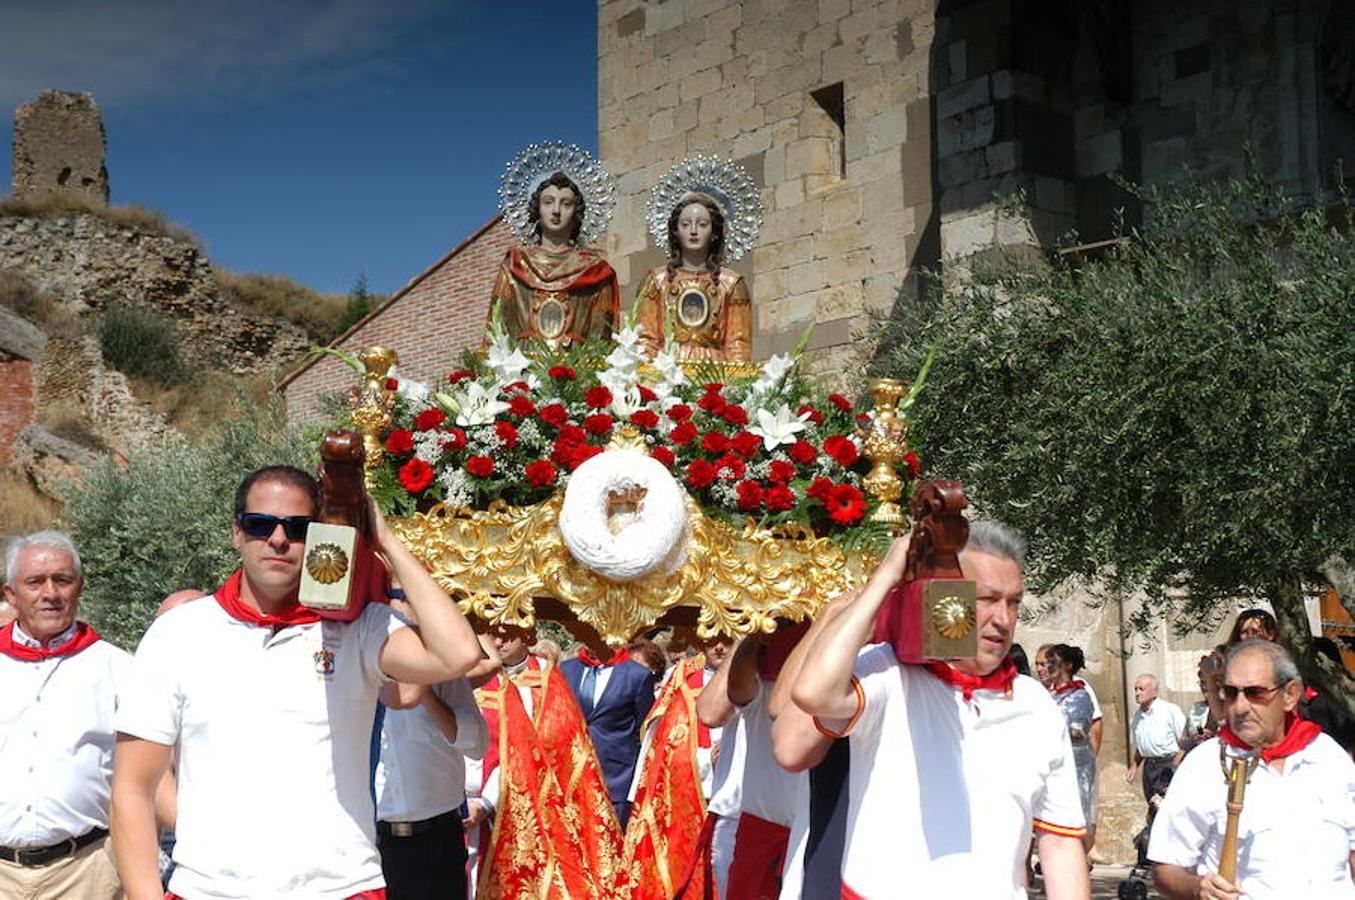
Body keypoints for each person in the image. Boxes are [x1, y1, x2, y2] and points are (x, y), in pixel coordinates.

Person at [111, 465, 484, 900]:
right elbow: (132, 790)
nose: (278, 539)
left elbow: (457, 654)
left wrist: (384, 539)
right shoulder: (179, 633)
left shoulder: (358, 629)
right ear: (236, 533)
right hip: (209, 891)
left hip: (341, 888)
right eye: (260, 525)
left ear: (322, 535)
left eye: (298, 527)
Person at [787, 521, 1090, 898]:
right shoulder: (890, 675)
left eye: (1013, 602)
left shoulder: (1036, 705)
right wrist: (885, 579)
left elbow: (1060, 845)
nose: (1004, 618)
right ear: (949, 597)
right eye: (987, 599)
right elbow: (812, 692)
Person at [1148, 639, 1355, 899]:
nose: (1241, 706)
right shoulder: (1204, 766)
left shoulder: (1330, 758)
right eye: (1232, 693)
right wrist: (1197, 888)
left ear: (1290, 695)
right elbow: (1166, 867)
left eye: (1255, 693)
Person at [0, 530, 130, 899]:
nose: (50, 594)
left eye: (62, 580)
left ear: (80, 587)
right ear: (10, 593)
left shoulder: (117, 669)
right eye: (35, 582)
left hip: (84, 872)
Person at [373, 596, 492, 900]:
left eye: (402, 600)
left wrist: (424, 693)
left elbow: (477, 744)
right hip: (371, 842)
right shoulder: (350, 671)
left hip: (435, 842)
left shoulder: (442, 676)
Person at [489, 170, 619, 349]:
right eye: (548, 202)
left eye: (566, 204)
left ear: (576, 212)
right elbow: (497, 329)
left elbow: (602, 336)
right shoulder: (516, 264)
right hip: (522, 368)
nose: (556, 211)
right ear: (537, 209)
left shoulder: (595, 271)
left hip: (578, 368)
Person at [635, 192, 752, 362]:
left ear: (714, 233)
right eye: (686, 224)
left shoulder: (731, 284)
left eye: (703, 224)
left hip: (714, 373)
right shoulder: (657, 281)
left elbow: (738, 345)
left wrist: (736, 385)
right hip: (667, 372)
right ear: (676, 231)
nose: (694, 231)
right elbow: (645, 339)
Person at [560, 640, 657, 827]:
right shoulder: (566, 670)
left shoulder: (637, 675)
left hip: (615, 779)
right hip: (571, 777)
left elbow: (644, 730)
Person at [1048, 644, 1098, 852]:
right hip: (1056, 764)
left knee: (1076, 813)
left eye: (1054, 661)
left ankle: (1080, 860)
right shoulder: (1053, 695)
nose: (1049, 666)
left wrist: (1047, 733)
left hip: (1075, 765)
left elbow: (1078, 733)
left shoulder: (1079, 696)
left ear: (1068, 665)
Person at [1127, 673, 1187, 804]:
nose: (1137, 693)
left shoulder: (1169, 711)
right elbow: (1141, 746)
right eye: (1135, 689)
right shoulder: (1137, 716)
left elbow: (1185, 740)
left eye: (1141, 689)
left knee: (1165, 806)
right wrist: (1134, 767)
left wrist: (1175, 766)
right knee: (1152, 804)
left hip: (1167, 763)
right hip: (1149, 767)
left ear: (1154, 692)